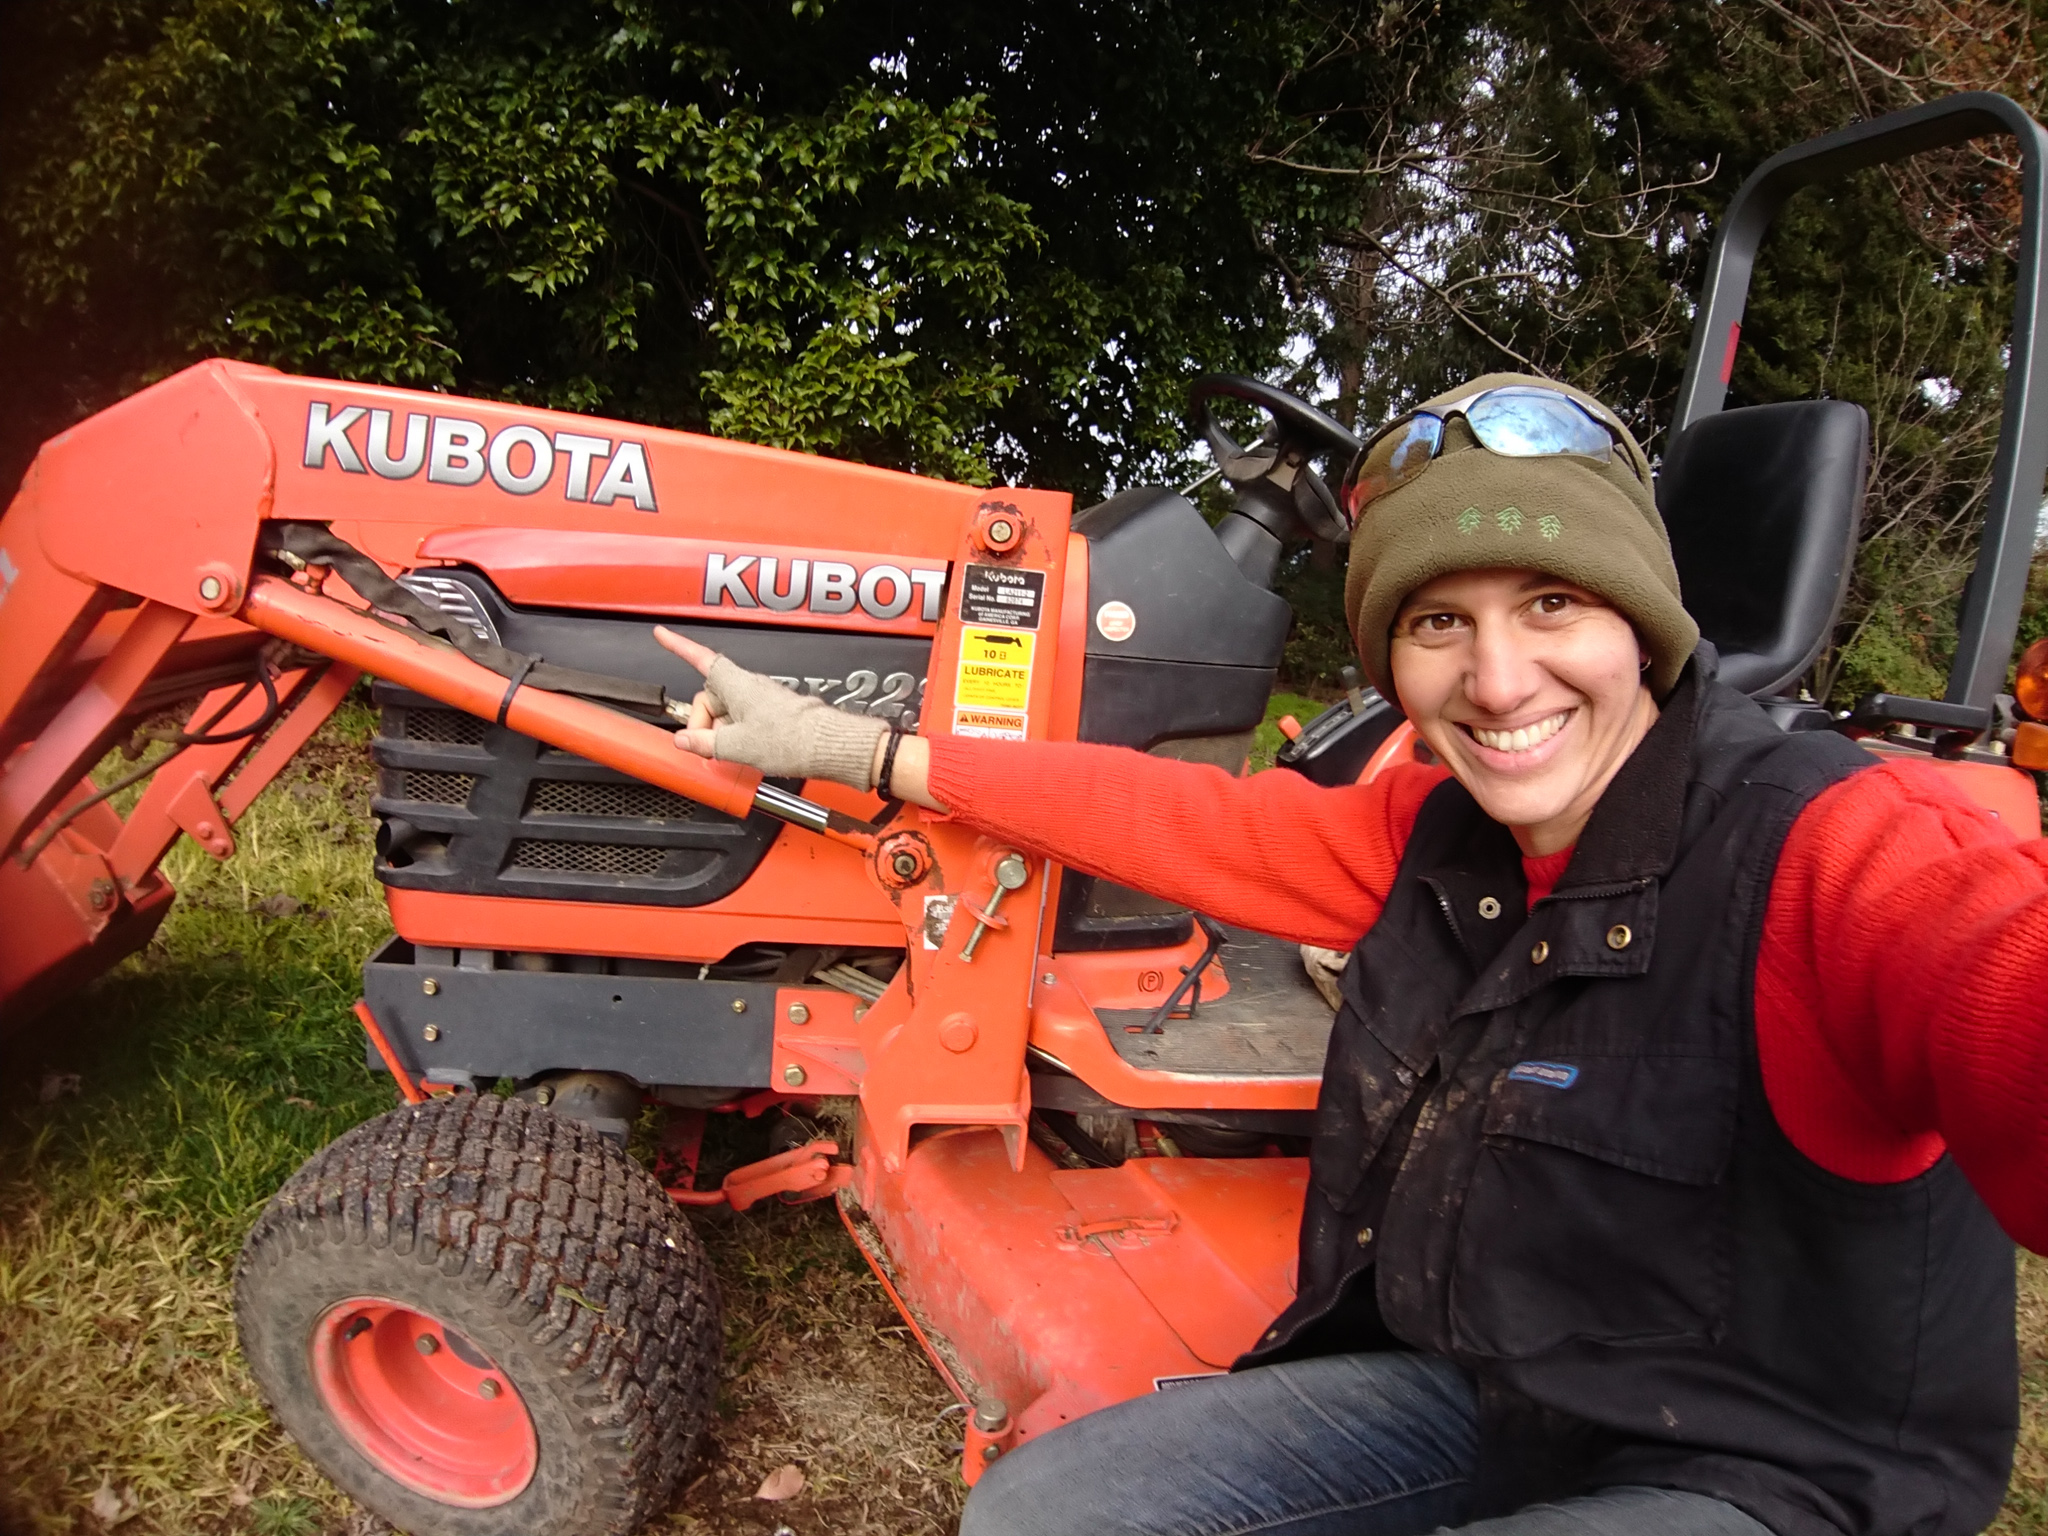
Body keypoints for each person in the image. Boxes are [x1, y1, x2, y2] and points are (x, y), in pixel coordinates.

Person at [652, 374, 2048, 1536]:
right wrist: (850, 748)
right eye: (1442, 622)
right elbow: (1174, 815)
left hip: (1768, 1466)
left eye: (1552, 607)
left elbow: (2003, 980)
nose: (1499, 684)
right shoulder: (1436, 832)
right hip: (1500, 1389)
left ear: (1645, 621)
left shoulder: (1844, 854)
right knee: (1047, 1515)